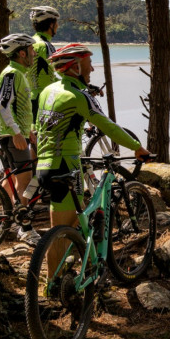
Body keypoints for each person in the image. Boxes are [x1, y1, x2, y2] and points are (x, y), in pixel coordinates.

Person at [34, 43, 150, 233]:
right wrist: (137, 147)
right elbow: (108, 126)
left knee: (59, 231)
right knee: (65, 230)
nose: (92, 68)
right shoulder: (79, 96)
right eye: (89, 63)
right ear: (75, 67)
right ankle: (67, 261)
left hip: (44, 166)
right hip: (67, 166)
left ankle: (72, 259)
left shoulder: (48, 91)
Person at [0, 33, 41, 245]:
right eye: (31, 51)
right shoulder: (12, 74)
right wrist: (16, 132)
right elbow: (3, 105)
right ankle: (25, 227)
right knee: (27, 182)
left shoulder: (18, 73)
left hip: (18, 134)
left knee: (13, 180)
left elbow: (18, 107)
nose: (33, 54)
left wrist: (27, 130)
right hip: (13, 137)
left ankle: (4, 217)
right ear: (22, 53)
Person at [28, 6, 60, 120]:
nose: (58, 26)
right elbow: (59, 70)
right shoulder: (44, 45)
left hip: (31, 99)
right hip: (43, 100)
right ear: (51, 25)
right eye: (56, 23)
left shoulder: (31, 42)